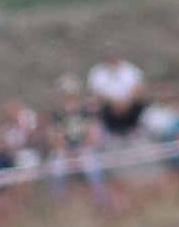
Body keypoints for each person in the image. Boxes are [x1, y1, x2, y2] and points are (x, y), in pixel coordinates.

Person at [47, 76, 107, 206]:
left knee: (93, 170)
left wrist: (82, 151)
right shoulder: (57, 115)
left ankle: (101, 202)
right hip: (65, 151)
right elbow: (54, 137)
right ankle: (59, 204)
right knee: (56, 170)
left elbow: (93, 135)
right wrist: (67, 153)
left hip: (84, 148)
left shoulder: (86, 112)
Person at [87, 43, 146, 143]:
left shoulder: (130, 69)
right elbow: (95, 92)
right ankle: (109, 133)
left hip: (128, 102)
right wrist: (113, 102)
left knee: (141, 103)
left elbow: (140, 87)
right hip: (108, 104)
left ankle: (133, 129)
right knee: (94, 106)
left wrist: (127, 101)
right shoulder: (97, 72)